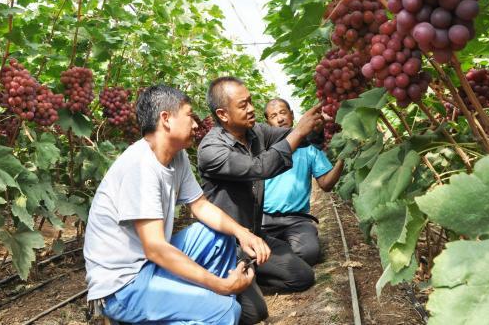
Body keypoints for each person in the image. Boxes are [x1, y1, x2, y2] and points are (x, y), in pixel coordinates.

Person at [84, 85, 271, 325]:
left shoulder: (177, 156)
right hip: (123, 287)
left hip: (148, 263)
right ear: (166, 119)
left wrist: (243, 233)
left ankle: (199, 304)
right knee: (226, 312)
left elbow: (201, 206)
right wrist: (221, 286)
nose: (196, 124)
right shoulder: (139, 166)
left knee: (218, 234)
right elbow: (155, 248)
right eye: (190, 115)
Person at [197, 77, 324, 324]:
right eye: (243, 105)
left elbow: (291, 137)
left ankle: (250, 276)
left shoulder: (256, 132)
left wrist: (319, 125)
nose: (252, 108)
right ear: (223, 114)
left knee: (303, 276)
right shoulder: (211, 150)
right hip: (227, 243)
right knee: (255, 314)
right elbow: (260, 167)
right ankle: (221, 282)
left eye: (251, 102)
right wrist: (299, 132)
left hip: (255, 236)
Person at [262, 98, 344, 266]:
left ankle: (278, 255)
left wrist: (343, 159)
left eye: (283, 113)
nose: (280, 119)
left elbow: (326, 185)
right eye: (273, 116)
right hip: (264, 219)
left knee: (309, 253)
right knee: (248, 249)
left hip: (297, 220)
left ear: (292, 115)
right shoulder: (263, 147)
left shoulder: (309, 148)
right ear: (267, 122)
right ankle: (281, 254)